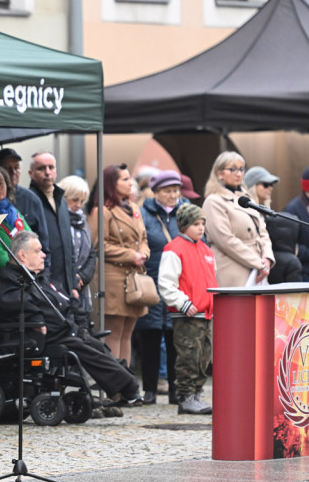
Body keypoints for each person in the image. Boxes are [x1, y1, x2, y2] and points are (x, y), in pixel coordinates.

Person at [0, 231, 143, 406]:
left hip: (64, 329)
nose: (43, 254)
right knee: (85, 349)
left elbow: (66, 301)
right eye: (37, 251)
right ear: (22, 255)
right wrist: (39, 320)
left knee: (97, 345)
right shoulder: (9, 280)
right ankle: (129, 387)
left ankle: (124, 390)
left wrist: (80, 323)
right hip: (42, 335)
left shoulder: (41, 278)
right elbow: (20, 305)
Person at [157, 203, 216, 415]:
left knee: (203, 356)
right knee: (188, 355)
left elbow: (211, 279)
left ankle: (196, 394)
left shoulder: (206, 250)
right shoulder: (174, 249)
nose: (200, 228)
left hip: (205, 313)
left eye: (202, 223)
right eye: (195, 224)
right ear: (183, 225)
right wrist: (183, 303)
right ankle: (186, 396)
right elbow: (166, 283)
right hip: (188, 314)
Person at [134, 170, 187, 405]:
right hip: (152, 281)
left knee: (176, 338)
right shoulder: (143, 214)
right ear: (155, 192)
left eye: (176, 190)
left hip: (179, 282)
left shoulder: (185, 211)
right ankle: (150, 390)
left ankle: (176, 390)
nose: (173, 195)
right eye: (167, 191)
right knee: (150, 337)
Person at [89, 164, 149, 365]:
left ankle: (126, 379)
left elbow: (143, 238)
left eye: (129, 178)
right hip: (114, 279)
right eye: (124, 179)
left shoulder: (134, 208)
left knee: (127, 333)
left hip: (135, 278)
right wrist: (131, 255)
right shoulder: (102, 211)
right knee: (114, 333)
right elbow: (98, 245)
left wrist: (144, 252)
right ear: (111, 184)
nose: (130, 182)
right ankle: (116, 381)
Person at [203, 151, 274, 287]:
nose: (239, 174)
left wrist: (267, 257)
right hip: (233, 268)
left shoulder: (246, 198)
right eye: (233, 169)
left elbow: (263, 232)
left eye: (241, 169)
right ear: (219, 173)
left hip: (258, 268)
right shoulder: (214, 201)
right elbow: (225, 240)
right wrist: (258, 262)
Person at [29, 151, 76, 295]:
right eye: (41, 168)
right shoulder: (29, 201)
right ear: (31, 173)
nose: (47, 172)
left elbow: (69, 244)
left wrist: (73, 283)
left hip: (66, 285)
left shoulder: (62, 200)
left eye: (51, 167)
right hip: (43, 284)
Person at [0, 147, 48, 252]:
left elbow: (43, 244)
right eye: (7, 168)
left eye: (16, 167)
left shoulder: (32, 200)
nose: (13, 172)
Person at [58, 175, 98, 314]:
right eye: (75, 200)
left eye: (82, 201)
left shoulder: (83, 221)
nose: (79, 205)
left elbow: (91, 254)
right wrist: (73, 278)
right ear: (64, 197)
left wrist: (82, 277)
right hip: (62, 284)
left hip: (81, 285)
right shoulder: (58, 220)